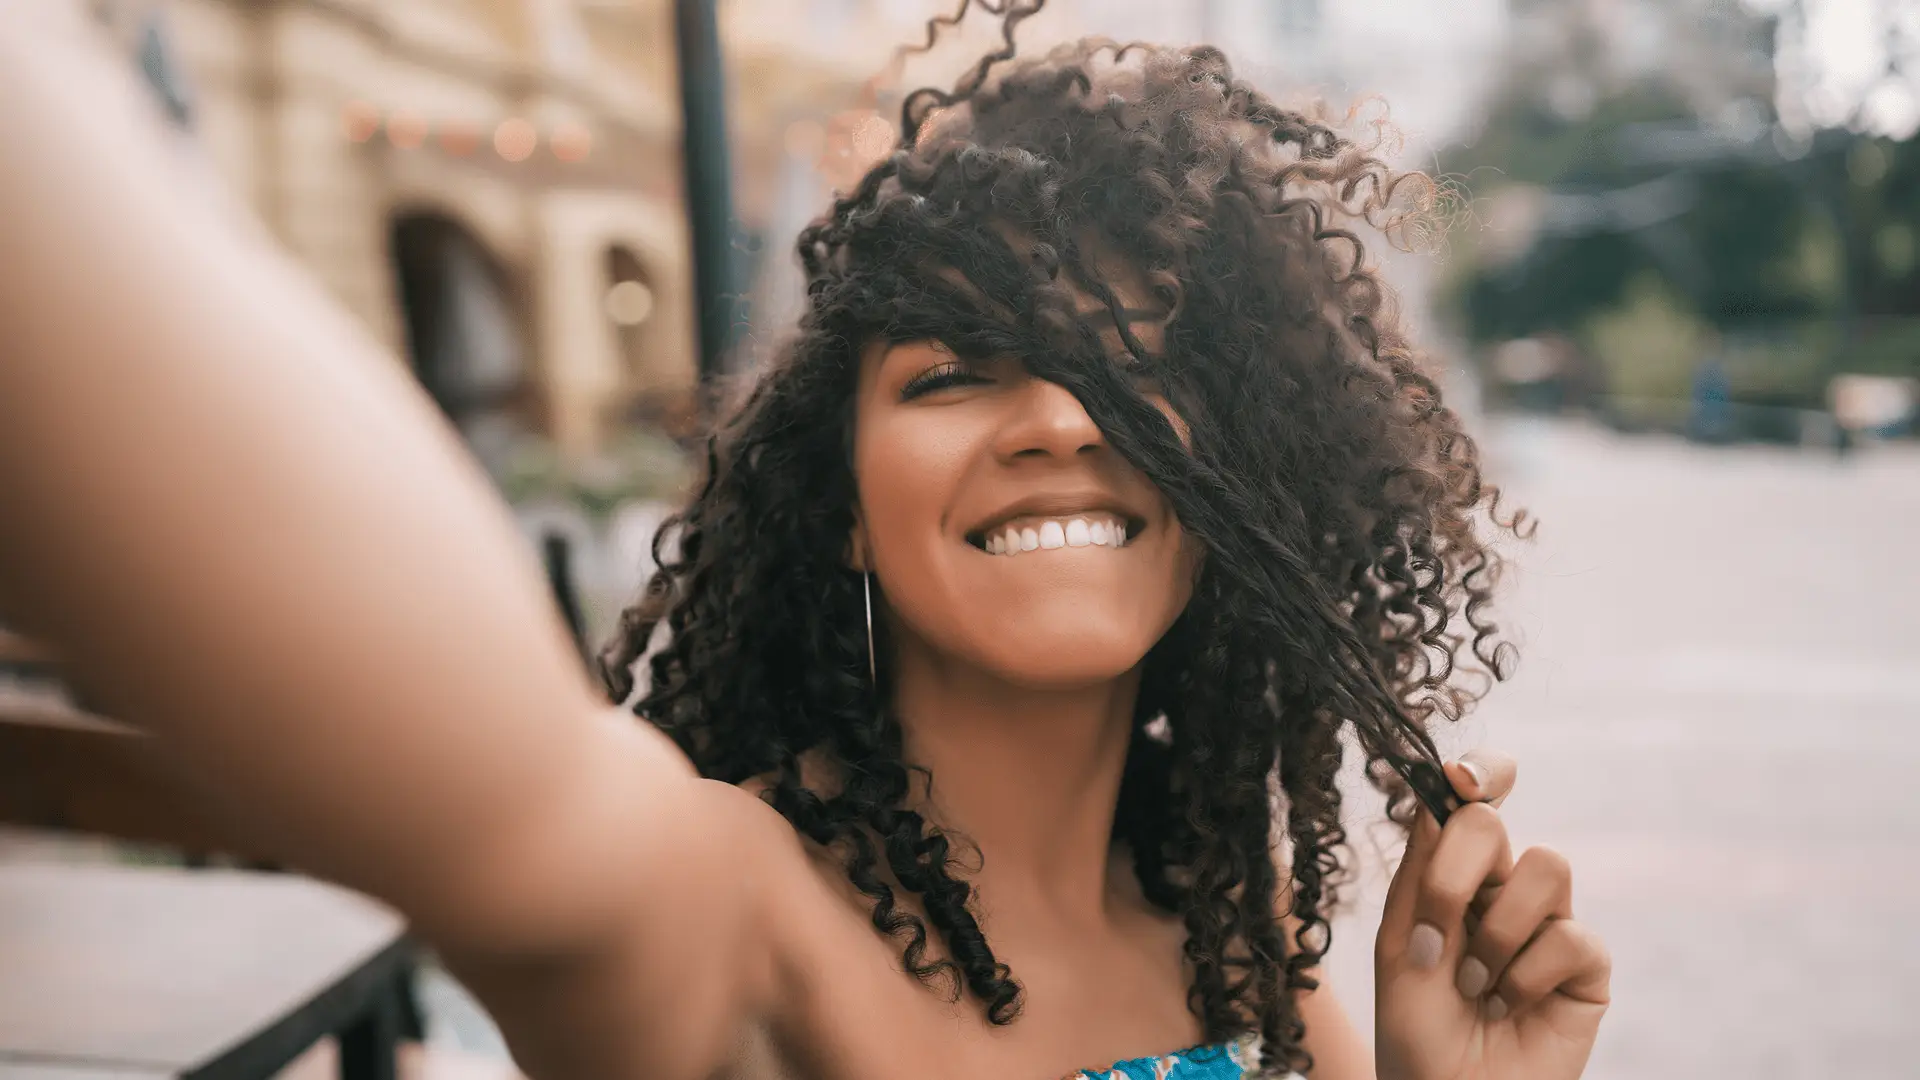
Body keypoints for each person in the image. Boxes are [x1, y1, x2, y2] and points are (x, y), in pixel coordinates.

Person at [0, 3, 1609, 1079]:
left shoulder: (1239, 932)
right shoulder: (726, 906)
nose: (1058, 415)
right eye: (954, 368)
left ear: (1240, 486)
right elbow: (498, 781)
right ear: (838, 493)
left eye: (1136, 367)